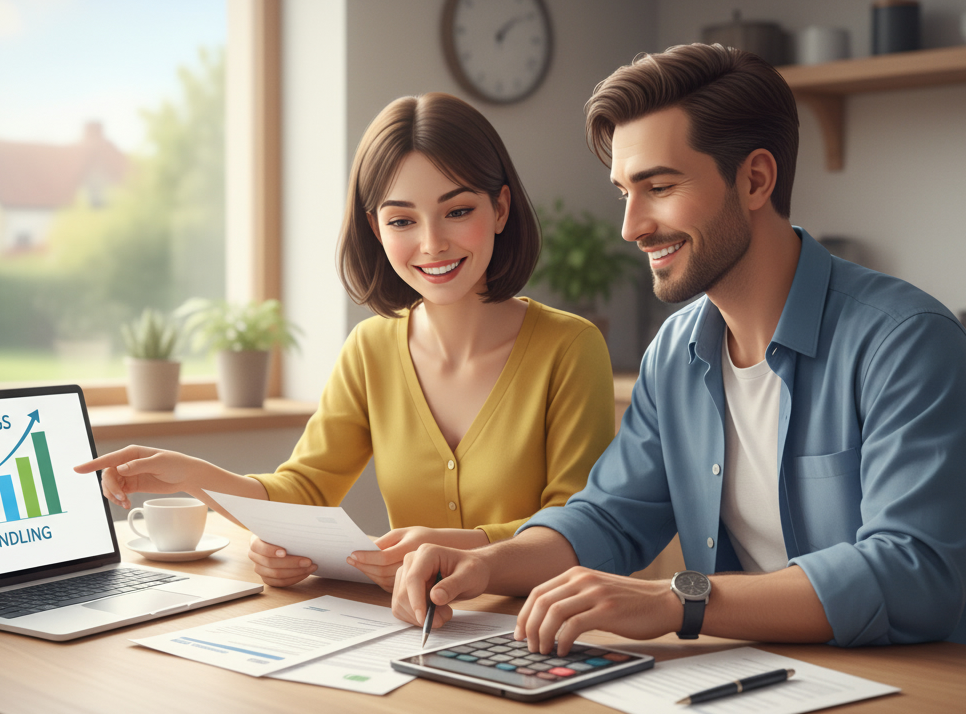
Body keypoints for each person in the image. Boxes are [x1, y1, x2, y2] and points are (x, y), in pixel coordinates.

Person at [391, 44, 966, 655]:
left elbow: (915, 575)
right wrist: (480, 563)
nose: (632, 226)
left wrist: (677, 600)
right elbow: (609, 518)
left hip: (931, 697)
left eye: (658, 186)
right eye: (623, 193)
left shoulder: (906, 344)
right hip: (767, 685)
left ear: (755, 179)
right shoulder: (677, 352)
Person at [75, 92, 615, 590]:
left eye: (457, 211)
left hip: (541, 637)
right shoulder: (370, 350)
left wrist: (459, 549)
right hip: (410, 631)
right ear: (377, 231)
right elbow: (304, 492)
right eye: (402, 220)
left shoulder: (570, 348)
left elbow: (578, 532)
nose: (432, 243)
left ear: (499, 209)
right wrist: (194, 477)